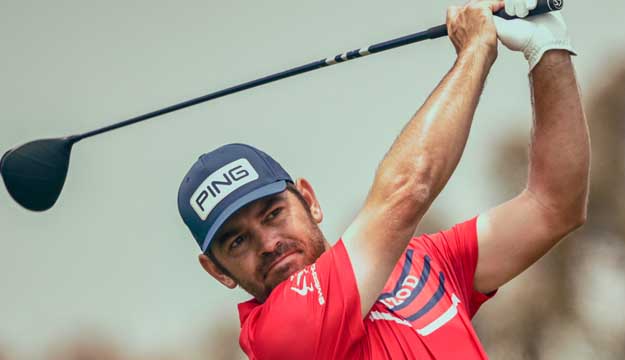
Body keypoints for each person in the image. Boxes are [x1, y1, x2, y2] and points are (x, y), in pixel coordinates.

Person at [176, 0, 590, 358]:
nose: (268, 244)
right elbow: (409, 189)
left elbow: (554, 204)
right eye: (237, 241)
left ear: (309, 200)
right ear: (217, 271)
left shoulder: (421, 261)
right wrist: (475, 49)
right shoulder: (279, 337)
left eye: (273, 214)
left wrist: (546, 49)